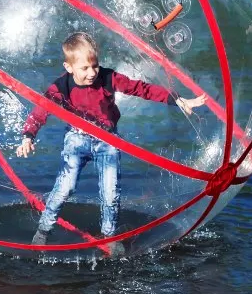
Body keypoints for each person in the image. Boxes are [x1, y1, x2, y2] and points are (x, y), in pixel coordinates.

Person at [16, 32, 206, 255]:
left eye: (95, 66)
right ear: (69, 67)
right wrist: (28, 136)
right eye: (84, 68)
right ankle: (44, 230)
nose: (91, 73)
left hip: (107, 139)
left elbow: (141, 88)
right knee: (65, 188)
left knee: (110, 192)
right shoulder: (61, 87)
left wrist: (176, 100)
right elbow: (41, 109)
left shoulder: (108, 78)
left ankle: (109, 235)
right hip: (77, 138)